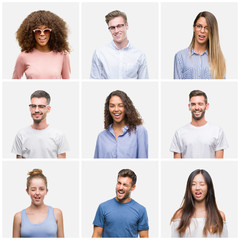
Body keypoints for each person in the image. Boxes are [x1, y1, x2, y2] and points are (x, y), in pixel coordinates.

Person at [90, 10, 148, 79]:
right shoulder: (99, 53)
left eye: (119, 26)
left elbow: (143, 81)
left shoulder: (139, 55)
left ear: (126, 25)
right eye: (112, 28)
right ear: (109, 29)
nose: (116, 31)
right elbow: (94, 80)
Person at [13, 10, 71, 79]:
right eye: (38, 31)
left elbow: (67, 83)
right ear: (31, 33)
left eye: (46, 30)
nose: (42, 34)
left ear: (53, 32)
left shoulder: (63, 54)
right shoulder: (23, 56)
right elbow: (14, 82)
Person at [170, 90, 228, 158]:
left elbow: (219, 163)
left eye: (200, 104)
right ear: (189, 107)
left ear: (206, 106)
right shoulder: (179, 133)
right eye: (193, 104)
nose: (197, 108)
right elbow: (177, 164)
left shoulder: (217, 131)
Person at [12, 90, 69, 158]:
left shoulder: (59, 135)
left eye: (41, 106)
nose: (36, 110)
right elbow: (19, 165)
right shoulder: (21, 134)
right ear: (30, 108)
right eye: (33, 106)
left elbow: (62, 165)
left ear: (48, 109)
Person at [171, 169, 228, 237]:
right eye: (193, 184)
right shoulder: (180, 215)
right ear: (189, 187)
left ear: (208, 187)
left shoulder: (219, 216)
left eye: (202, 184)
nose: (197, 188)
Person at [92, 169, 149, 238]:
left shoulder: (141, 210)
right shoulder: (103, 207)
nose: (120, 187)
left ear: (133, 187)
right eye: (119, 183)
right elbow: (96, 235)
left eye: (125, 185)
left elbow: (144, 237)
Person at [94, 90, 148, 158]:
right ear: (108, 109)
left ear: (126, 108)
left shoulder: (139, 131)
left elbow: (143, 159)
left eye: (120, 105)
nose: (116, 109)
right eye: (112, 106)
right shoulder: (101, 137)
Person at [13, 169, 64, 237]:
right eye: (33, 189)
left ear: (46, 191)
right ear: (27, 191)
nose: (37, 193)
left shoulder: (57, 213)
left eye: (41, 189)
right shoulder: (18, 217)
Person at [174, 11, 225, 79]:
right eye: (199, 26)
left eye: (207, 28)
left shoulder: (218, 59)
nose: (202, 31)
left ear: (212, 31)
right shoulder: (180, 57)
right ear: (194, 28)